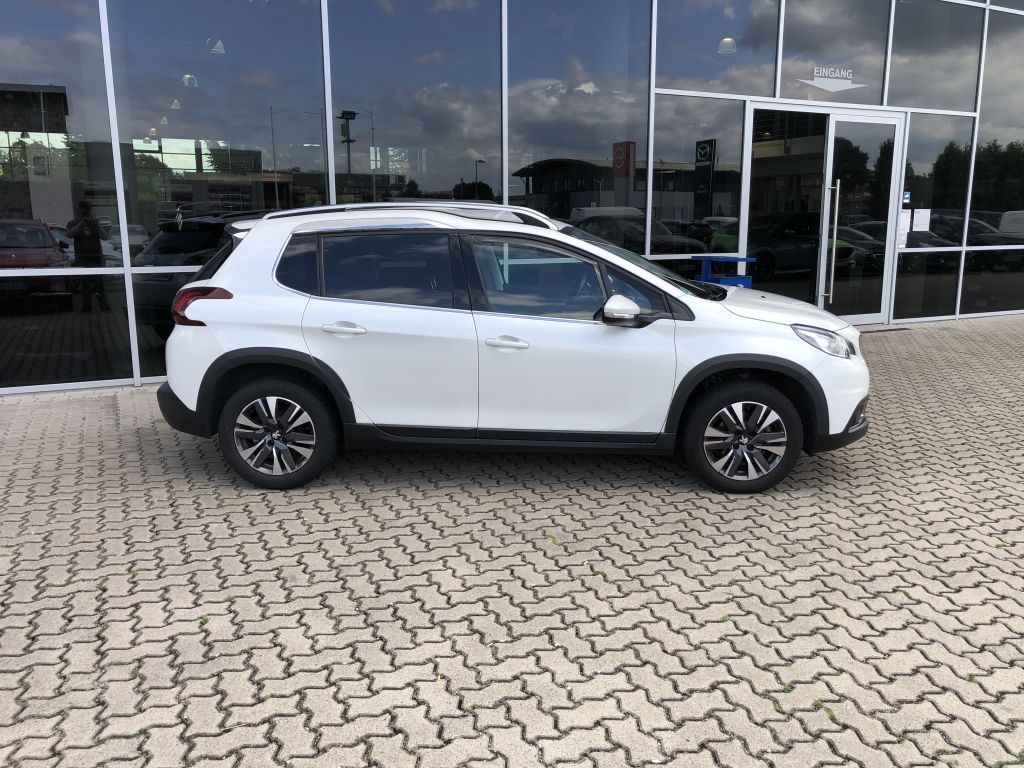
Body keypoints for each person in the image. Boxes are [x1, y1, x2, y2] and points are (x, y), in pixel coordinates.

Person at [66, 200, 110, 312]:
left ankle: (104, 306)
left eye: (87, 210)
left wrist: (97, 224)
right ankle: (87, 306)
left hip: (95, 257)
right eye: (84, 209)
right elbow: (69, 234)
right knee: (85, 283)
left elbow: (105, 237)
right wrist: (81, 224)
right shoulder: (74, 223)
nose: (86, 212)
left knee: (99, 283)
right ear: (79, 210)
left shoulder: (94, 223)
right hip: (82, 257)